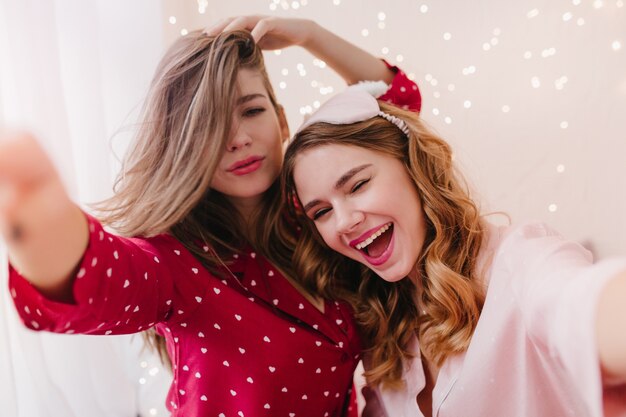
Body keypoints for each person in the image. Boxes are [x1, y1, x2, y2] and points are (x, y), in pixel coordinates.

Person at [0, 17, 421, 417]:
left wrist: (309, 35)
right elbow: (99, 277)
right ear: (182, 146)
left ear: (281, 119)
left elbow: (395, 111)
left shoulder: (318, 213)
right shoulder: (175, 266)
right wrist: (39, 223)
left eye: (251, 111)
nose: (237, 138)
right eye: (209, 124)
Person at [281, 88, 626, 417]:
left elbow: (579, 301)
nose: (343, 222)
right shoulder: (382, 333)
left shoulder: (517, 262)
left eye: (358, 185)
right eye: (321, 212)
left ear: (413, 166)